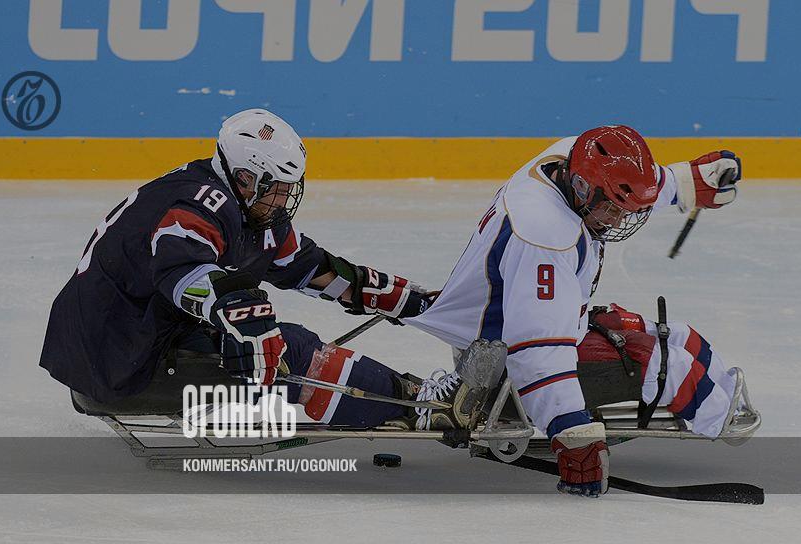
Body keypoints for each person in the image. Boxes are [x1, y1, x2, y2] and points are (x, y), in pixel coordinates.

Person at [39, 108, 481, 431]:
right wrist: (238, 311)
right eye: (276, 189)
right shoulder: (198, 203)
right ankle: (416, 407)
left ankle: (410, 397)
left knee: (261, 333)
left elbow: (307, 267)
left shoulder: (249, 210)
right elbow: (183, 271)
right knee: (284, 346)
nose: (283, 200)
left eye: (289, 189)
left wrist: (409, 301)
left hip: (134, 339)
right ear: (245, 178)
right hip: (114, 361)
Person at [406, 125, 744, 497]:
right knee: (667, 365)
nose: (618, 220)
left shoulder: (569, 159)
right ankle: (721, 419)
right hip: (501, 368)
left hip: (509, 327)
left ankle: (726, 401)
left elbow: (622, 180)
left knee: (677, 335)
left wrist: (687, 182)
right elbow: (537, 354)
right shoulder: (544, 235)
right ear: (582, 188)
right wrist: (571, 435)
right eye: (611, 208)